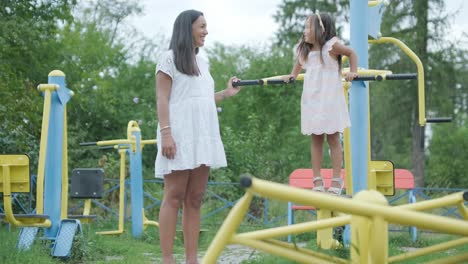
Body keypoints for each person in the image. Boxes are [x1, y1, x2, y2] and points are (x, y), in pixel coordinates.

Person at [154, 9, 241, 264]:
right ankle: (168, 259)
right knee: (174, 195)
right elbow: (162, 98)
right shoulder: (168, 59)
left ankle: (192, 260)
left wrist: (226, 93)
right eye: (201, 26)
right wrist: (166, 134)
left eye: (206, 26)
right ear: (187, 28)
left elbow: (201, 100)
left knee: (195, 198)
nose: (206, 31)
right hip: (178, 134)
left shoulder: (203, 63)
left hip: (203, 134)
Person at [284, 11, 358, 195]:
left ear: (320, 29)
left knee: (333, 138)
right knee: (316, 139)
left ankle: (336, 179)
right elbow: (298, 65)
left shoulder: (331, 47)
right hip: (313, 99)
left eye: (308, 27)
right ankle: (317, 178)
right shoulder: (305, 50)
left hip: (330, 99)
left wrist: (353, 71)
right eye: (304, 27)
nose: (305, 31)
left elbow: (351, 53)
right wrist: (292, 75)